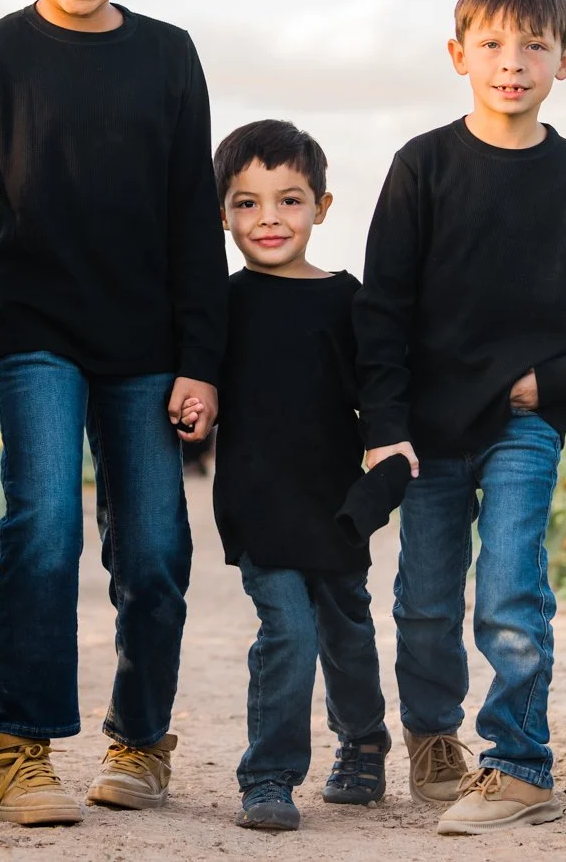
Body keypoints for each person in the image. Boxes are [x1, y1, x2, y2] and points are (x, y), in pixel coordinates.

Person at [0, 0, 230, 826]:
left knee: (154, 548)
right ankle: (16, 751)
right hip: (36, 330)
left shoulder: (169, 56)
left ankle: (140, 740)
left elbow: (193, 219)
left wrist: (201, 361)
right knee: (43, 526)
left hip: (146, 343)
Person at [352, 0, 566, 836]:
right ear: (459, 55)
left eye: (534, 45)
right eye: (491, 43)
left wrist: (557, 380)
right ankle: (434, 739)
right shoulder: (422, 166)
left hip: (524, 423)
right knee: (424, 600)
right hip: (428, 430)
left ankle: (521, 766)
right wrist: (385, 427)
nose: (512, 62)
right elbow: (382, 309)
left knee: (511, 590)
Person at [202, 120, 388, 833]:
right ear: (222, 214)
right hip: (256, 501)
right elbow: (198, 379)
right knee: (287, 629)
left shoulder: (348, 298)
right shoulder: (221, 301)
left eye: (289, 200)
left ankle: (363, 737)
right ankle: (269, 775)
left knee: (345, 626)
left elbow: (380, 389)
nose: (269, 218)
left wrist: (390, 453)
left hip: (334, 501)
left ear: (322, 207)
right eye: (246, 202)